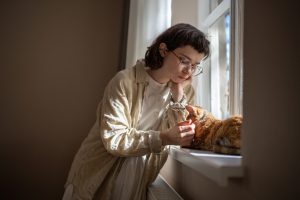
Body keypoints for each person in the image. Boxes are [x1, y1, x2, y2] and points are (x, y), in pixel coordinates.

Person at [62, 23, 210, 200]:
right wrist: (163, 137)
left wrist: (178, 99)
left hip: (137, 181)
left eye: (195, 65)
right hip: (97, 177)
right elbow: (115, 139)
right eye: (184, 61)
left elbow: (180, 135)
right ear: (163, 50)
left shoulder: (185, 92)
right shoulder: (124, 82)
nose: (189, 71)